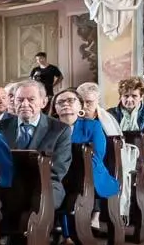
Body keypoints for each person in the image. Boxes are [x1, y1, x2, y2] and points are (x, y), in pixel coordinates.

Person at [0, 81, 73, 206]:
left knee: (39, 200)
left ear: (44, 102)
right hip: (7, 185)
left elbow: (57, 169)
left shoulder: (60, 130)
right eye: (20, 100)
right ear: (13, 102)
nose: (25, 104)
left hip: (45, 184)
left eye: (31, 99)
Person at [51, 89, 119, 227]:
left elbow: (97, 155)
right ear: (55, 108)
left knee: (72, 186)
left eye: (71, 100)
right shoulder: (50, 127)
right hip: (58, 172)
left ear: (80, 106)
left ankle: (71, 226)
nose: (66, 104)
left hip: (87, 171)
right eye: (61, 102)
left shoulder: (92, 125)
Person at [109, 77, 144, 174]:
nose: (129, 99)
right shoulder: (110, 113)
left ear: (141, 97)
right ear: (120, 97)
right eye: (126, 95)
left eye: (134, 96)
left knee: (137, 166)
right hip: (118, 151)